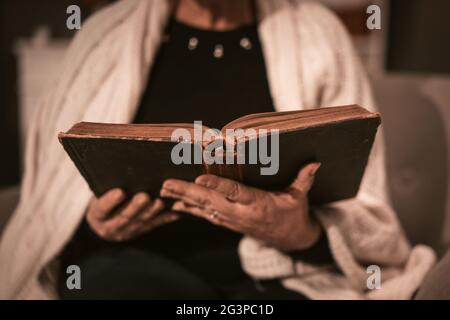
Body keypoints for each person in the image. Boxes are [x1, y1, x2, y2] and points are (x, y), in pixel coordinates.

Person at [0, 0, 436, 300]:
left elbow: (368, 208)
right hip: (134, 267)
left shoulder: (319, 34)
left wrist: (301, 233)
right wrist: (94, 228)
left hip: (285, 277)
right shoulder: (102, 39)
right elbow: (55, 200)